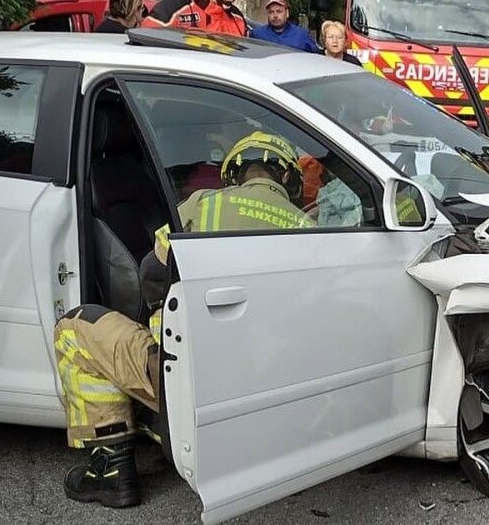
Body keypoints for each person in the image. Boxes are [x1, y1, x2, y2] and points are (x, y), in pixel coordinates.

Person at [53, 131, 311, 509]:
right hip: (268, 385)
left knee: (75, 328)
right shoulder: (307, 228)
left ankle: (110, 469)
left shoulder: (203, 206)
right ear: (290, 178)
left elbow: (151, 272)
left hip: (188, 379)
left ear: (232, 174)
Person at [251, 0, 318, 52]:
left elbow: (313, 58)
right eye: (271, 12)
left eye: (279, 11)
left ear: (287, 13)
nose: (275, 15)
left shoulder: (302, 35)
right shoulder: (257, 34)